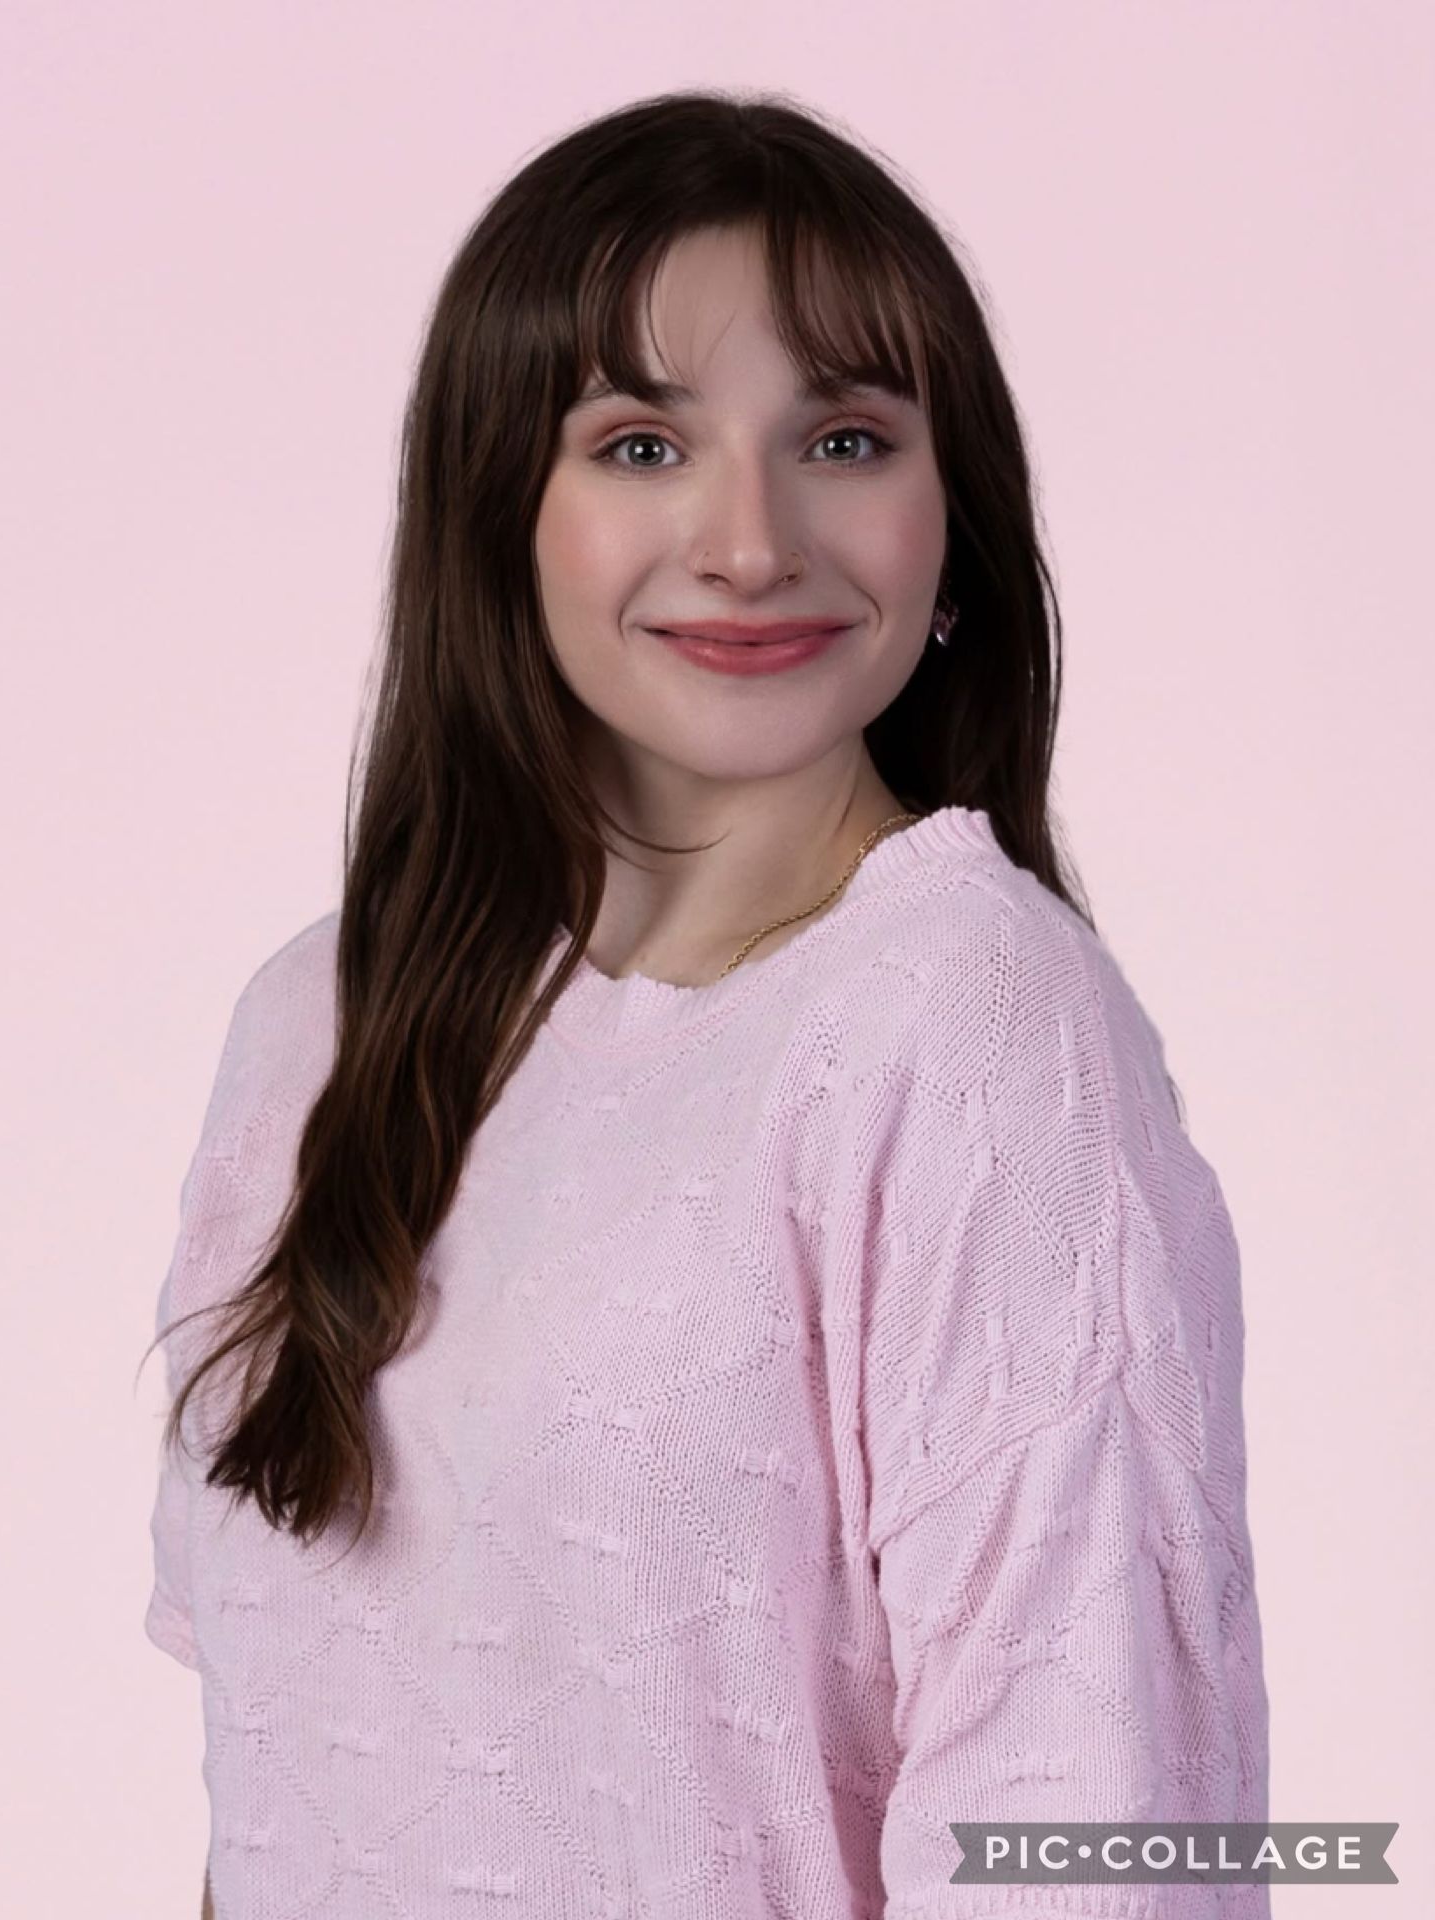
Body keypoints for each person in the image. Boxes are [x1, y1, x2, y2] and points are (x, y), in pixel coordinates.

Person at [143, 89, 1270, 1918]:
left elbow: (1091, 1828)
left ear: (953, 520)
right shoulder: (320, 1021)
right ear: (499, 506)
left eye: (842, 436)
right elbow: (273, 1785)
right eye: (643, 446)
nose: (751, 544)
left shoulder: (973, 1032)